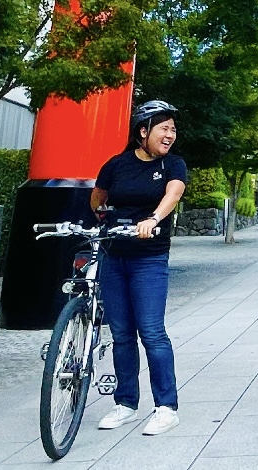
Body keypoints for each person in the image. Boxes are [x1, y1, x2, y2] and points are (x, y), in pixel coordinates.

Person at [90, 99, 188, 435]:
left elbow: (173, 194)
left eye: (173, 129)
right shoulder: (116, 164)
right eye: (164, 128)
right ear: (143, 132)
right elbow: (98, 198)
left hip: (149, 258)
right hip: (114, 256)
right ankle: (125, 403)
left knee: (152, 332)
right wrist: (104, 218)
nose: (170, 134)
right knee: (121, 334)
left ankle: (166, 407)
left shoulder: (173, 164)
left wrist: (153, 219)